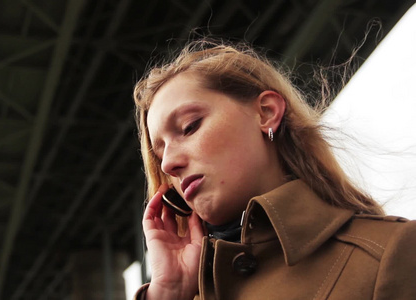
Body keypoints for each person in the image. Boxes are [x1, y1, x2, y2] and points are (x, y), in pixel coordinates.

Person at [132, 39, 416, 299]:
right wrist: (168, 293)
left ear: (266, 112)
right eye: (160, 155)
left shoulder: (391, 252)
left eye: (189, 127)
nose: (169, 163)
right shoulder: (176, 292)